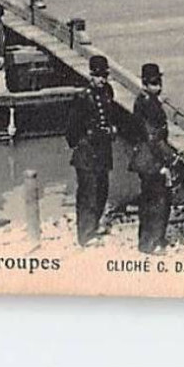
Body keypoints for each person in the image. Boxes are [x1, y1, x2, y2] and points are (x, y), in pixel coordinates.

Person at [66, 54, 117, 245]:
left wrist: (112, 129)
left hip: (103, 150)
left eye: (104, 76)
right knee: (88, 192)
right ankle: (85, 234)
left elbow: (110, 117)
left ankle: (94, 226)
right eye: (97, 76)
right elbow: (72, 128)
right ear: (91, 76)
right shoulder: (83, 97)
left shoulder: (107, 92)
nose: (101, 80)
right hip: (87, 152)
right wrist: (80, 144)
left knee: (102, 189)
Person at [128, 62, 173, 253]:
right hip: (151, 158)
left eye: (159, 82)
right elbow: (153, 137)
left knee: (153, 198)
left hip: (147, 156)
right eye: (154, 83)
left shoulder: (146, 100)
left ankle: (154, 239)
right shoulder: (149, 105)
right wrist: (168, 160)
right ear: (145, 84)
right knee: (156, 200)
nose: (158, 87)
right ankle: (150, 242)